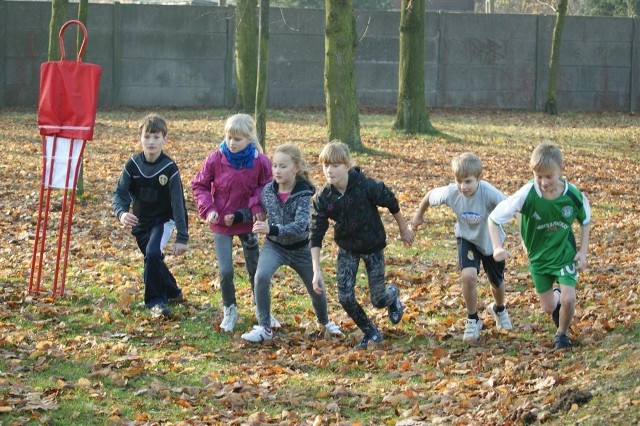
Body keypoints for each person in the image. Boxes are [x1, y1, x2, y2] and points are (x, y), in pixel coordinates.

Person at [309, 141, 414, 349]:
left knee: (378, 299)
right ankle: (371, 332)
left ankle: (392, 295)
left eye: (335, 165)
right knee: (345, 297)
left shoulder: (366, 185)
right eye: (325, 165)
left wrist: (404, 230)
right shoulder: (323, 198)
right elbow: (315, 233)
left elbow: (391, 201)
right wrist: (316, 270)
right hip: (347, 249)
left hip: (373, 246)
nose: (329, 170)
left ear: (347, 164)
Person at [488, 143, 591, 350]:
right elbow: (493, 218)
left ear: (561, 169)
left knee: (569, 298)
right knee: (549, 307)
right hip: (538, 259)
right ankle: (556, 294)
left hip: (564, 254)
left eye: (548, 177)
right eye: (538, 176)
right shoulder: (526, 194)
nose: (543, 182)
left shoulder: (573, 195)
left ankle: (561, 335)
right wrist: (497, 247)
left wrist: (582, 252)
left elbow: (585, 221)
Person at [241, 144, 343, 342]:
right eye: (275, 166)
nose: (277, 171)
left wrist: (271, 228)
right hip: (274, 246)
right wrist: (235, 216)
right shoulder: (268, 191)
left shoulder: (305, 195)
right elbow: (255, 212)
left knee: (316, 285)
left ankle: (325, 321)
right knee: (261, 277)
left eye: (283, 166)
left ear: (296, 168)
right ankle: (264, 327)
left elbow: (300, 225)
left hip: (300, 248)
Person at [412, 152, 512, 343]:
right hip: (466, 238)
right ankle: (473, 319)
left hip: (491, 241)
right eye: (459, 181)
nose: (462, 187)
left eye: (468, 181)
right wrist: (418, 216)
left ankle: (499, 309)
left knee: (496, 282)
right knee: (468, 276)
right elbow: (429, 196)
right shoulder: (451, 192)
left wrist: (525, 234)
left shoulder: (489, 193)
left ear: (478, 179)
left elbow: (511, 207)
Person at [191, 113, 273, 333]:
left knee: (256, 269)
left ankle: (262, 309)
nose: (232, 143)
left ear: (249, 139)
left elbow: (266, 186)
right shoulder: (215, 158)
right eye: (229, 137)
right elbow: (199, 186)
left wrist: (255, 207)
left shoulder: (260, 161)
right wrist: (209, 209)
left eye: (237, 139)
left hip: (248, 222)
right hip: (221, 224)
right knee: (225, 270)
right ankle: (230, 308)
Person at [112, 113, 189, 318]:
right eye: (147, 137)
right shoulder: (133, 164)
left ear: (165, 139)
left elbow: (178, 203)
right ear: (140, 138)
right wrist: (121, 213)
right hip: (140, 223)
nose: (151, 141)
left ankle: (156, 302)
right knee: (152, 258)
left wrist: (182, 237)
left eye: (156, 137)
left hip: (162, 221)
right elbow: (120, 193)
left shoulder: (169, 168)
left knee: (153, 253)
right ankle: (173, 291)